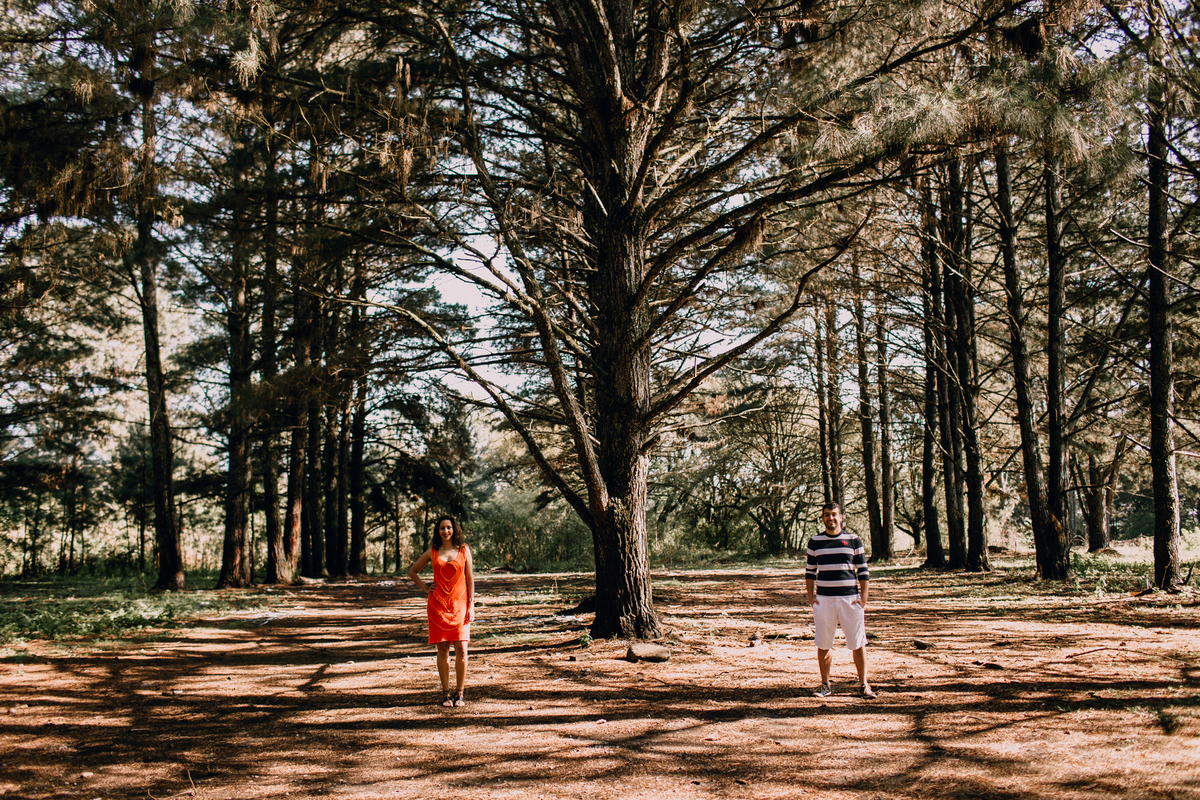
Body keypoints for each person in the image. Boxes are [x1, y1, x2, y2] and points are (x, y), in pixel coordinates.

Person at [805, 502, 875, 699]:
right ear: (823, 517)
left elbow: (863, 570)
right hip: (824, 600)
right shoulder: (815, 541)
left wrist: (864, 598)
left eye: (834, 514)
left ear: (841, 517)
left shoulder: (853, 540)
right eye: (827, 515)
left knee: (858, 643)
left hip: (850, 600)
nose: (831, 518)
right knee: (824, 644)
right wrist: (811, 597)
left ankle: (863, 684)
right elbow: (810, 572)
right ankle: (825, 685)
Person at [409, 515, 475, 707]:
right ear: (438, 531)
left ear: (454, 529)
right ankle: (446, 694)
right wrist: (424, 587)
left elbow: (470, 580)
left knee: (462, 648)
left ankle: (460, 693)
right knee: (443, 649)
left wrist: (471, 604)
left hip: (460, 605)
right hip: (437, 607)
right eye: (442, 528)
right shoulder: (432, 551)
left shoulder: (464, 550)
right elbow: (413, 571)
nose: (445, 531)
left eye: (448, 527)